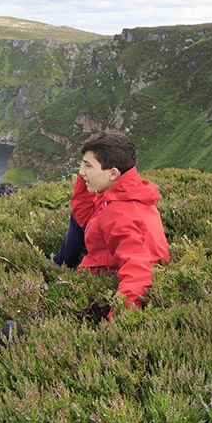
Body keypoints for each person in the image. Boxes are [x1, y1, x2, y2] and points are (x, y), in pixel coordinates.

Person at [54, 131, 170, 319]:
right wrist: (87, 179)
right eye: (82, 164)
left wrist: (117, 322)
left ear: (113, 173)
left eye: (88, 166)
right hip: (107, 263)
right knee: (77, 217)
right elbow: (83, 215)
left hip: (102, 283)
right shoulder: (121, 193)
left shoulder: (119, 215)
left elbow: (138, 271)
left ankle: (58, 268)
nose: (81, 172)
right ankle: (60, 265)